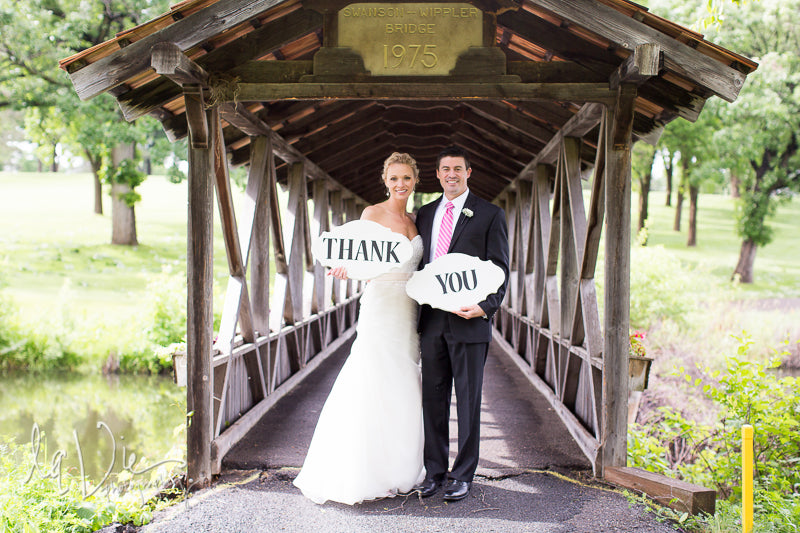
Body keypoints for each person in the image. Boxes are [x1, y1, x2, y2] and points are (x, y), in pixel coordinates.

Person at [293, 152, 425, 505]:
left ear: (415, 181)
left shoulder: (415, 220)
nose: (401, 184)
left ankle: (402, 467)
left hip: (408, 309)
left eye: (407, 178)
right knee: (374, 376)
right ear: (385, 180)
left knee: (405, 379)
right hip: (381, 306)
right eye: (394, 178)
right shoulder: (372, 214)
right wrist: (346, 271)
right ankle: (367, 470)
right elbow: (363, 260)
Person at [413, 145, 509, 501]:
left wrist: (486, 307)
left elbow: (500, 269)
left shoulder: (489, 215)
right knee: (432, 401)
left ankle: (463, 474)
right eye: (444, 169)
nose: (451, 174)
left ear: (469, 172)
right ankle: (434, 472)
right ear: (437, 175)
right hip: (432, 323)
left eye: (458, 168)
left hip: (470, 322)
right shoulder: (423, 214)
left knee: (469, 401)